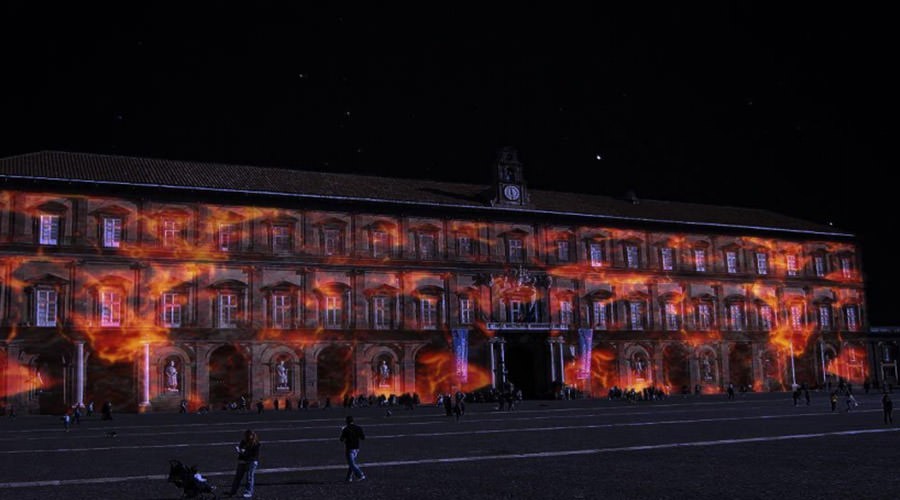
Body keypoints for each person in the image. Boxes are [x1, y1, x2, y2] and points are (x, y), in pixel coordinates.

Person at [228, 429, 261, 498]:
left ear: (252, 436)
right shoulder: (243, 442)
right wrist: (240, 453)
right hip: (243, 461)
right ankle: (233, 491)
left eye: (247, 435)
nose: (246, 437)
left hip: (251, 462)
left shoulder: (256, 444)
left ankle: (249, 492)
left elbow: (254, 456)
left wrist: (245, 453)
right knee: (237, 477)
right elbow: (241, 451)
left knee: (249, 477)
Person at [340, 416, 366, 483]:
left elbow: (341, 439)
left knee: (352, 464)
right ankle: (348, 478)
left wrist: (342, 431)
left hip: (349, 448)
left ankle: (360, 475)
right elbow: (363, 438)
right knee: (352, 463)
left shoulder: (345, 429)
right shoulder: (359, 428)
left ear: (346, 421)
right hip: (357, 448)